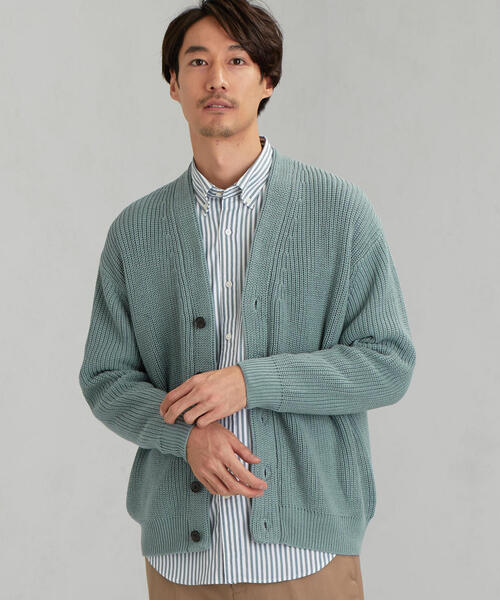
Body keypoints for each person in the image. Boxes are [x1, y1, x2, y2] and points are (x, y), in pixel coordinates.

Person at [78, 1, 416, 598]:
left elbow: (388, 363)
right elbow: (105, 379)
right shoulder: (136, 231)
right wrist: (184, 438)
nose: (217, 78)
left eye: (237, 61)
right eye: (197, 62)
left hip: (305, 557)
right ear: (174, 84)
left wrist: (249, 382)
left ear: (268, 80)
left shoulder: (337, 212)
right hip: (182, 567)